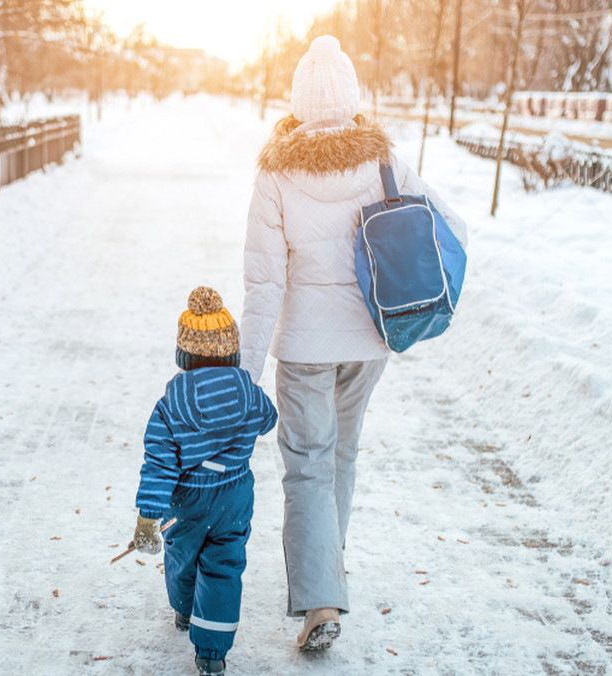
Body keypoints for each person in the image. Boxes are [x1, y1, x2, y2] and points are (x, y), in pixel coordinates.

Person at [240, 35, 470, 652]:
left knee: (307, 466)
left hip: (305, 347)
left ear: (297, 101)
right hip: (371, 341)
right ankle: (327, 569)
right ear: (351, 97)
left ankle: (320, 598)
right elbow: (454, 227)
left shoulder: (276, 171)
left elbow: (264, 283)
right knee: (341, 456)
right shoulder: (384, 161)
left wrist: (245, 373)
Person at [131, 286, 278, 676]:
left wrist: (149, 515)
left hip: (187, 500)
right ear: (232, 350)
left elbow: (159, 465)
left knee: (183, 555)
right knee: (225, 564)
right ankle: (212, 653)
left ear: (184, 355)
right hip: (234, 495)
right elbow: (269, 419)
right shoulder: (248, 391)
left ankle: (184, 610)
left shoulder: (170, 406)